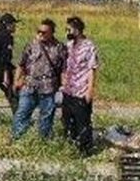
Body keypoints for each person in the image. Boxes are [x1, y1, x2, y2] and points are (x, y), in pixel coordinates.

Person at [11, 18, 67, 141]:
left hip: (49, 87)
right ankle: (17, 139)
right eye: (38, 31)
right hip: (29, 85)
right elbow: (21, 64)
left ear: (51, 33)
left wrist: (64, 87)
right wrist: (16, 81)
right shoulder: (31, 45)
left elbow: (64, 69)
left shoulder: (60, 48)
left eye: (44, 32)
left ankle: (43, 141)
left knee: (46, 116)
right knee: (22, 113)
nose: (40, 34)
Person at [60, 16, 99, 156]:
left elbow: (92, 69)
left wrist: (90, 90)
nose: (67, 32)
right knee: (67, 120)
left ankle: (85, 150)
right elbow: (64, 66)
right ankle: (70, 147)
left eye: (69, 29)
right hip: (68, 90)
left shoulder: (89, 46)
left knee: (82, 121)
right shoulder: (69, 45)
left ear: (77, 29)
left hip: (81, 90)